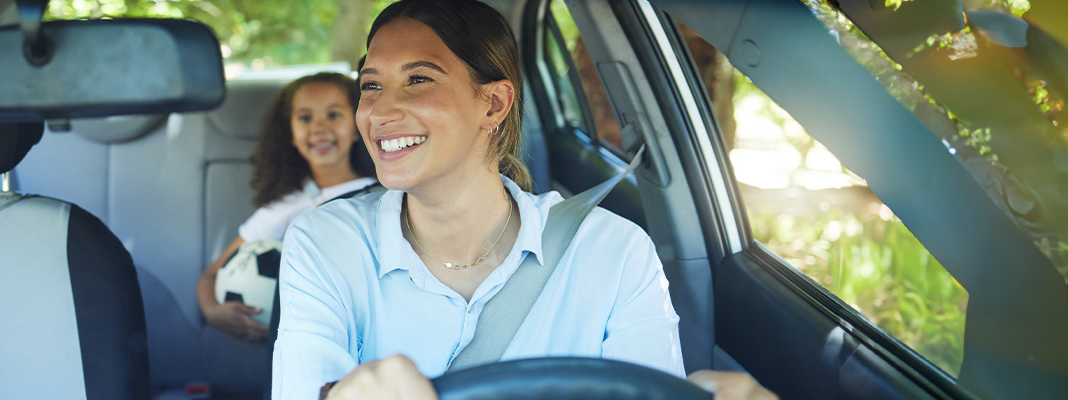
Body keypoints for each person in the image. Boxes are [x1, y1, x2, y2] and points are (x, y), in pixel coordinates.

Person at [271, 1, 778, 399]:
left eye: (418, 79)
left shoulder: (615, 252)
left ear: (493, 103)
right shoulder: (324, 241)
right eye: (371, 85)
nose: (378, 111)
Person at [197, 72, 378, 342]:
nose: (319, 128)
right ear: (290, 134)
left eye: (334, 115)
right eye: (305, 118)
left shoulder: (386, 191)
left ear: (357, 126)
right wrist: (213, 312)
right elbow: (212, 274)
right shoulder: (285, 207)